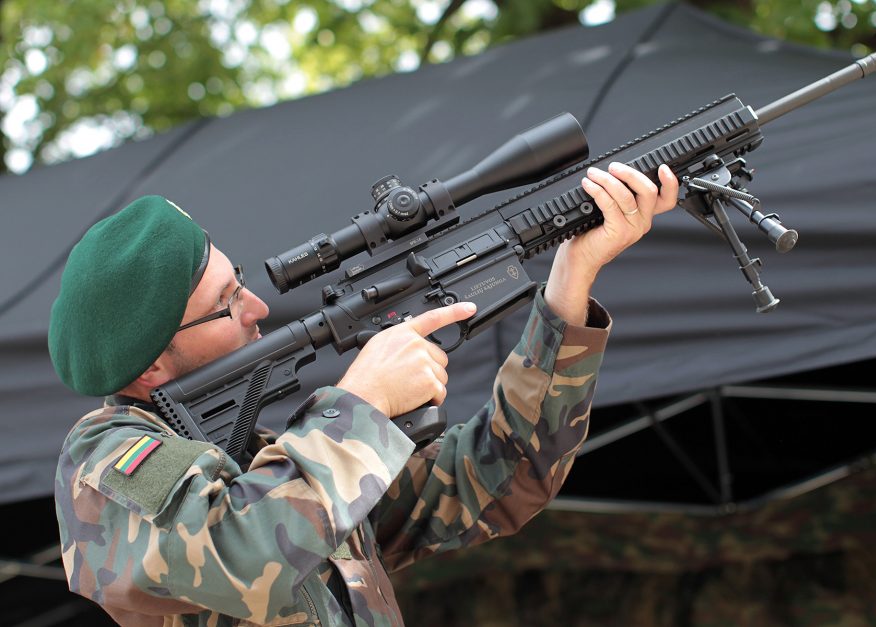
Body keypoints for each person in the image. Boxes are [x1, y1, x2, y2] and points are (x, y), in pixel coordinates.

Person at [51, 163, 678, 626]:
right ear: (155, 366)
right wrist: (362, 403)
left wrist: (568, 285)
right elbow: (243, 554)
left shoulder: (276, 463)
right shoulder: (101, 465)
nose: (258, 308)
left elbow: (500, 479)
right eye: (226, 303)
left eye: (238, 282)